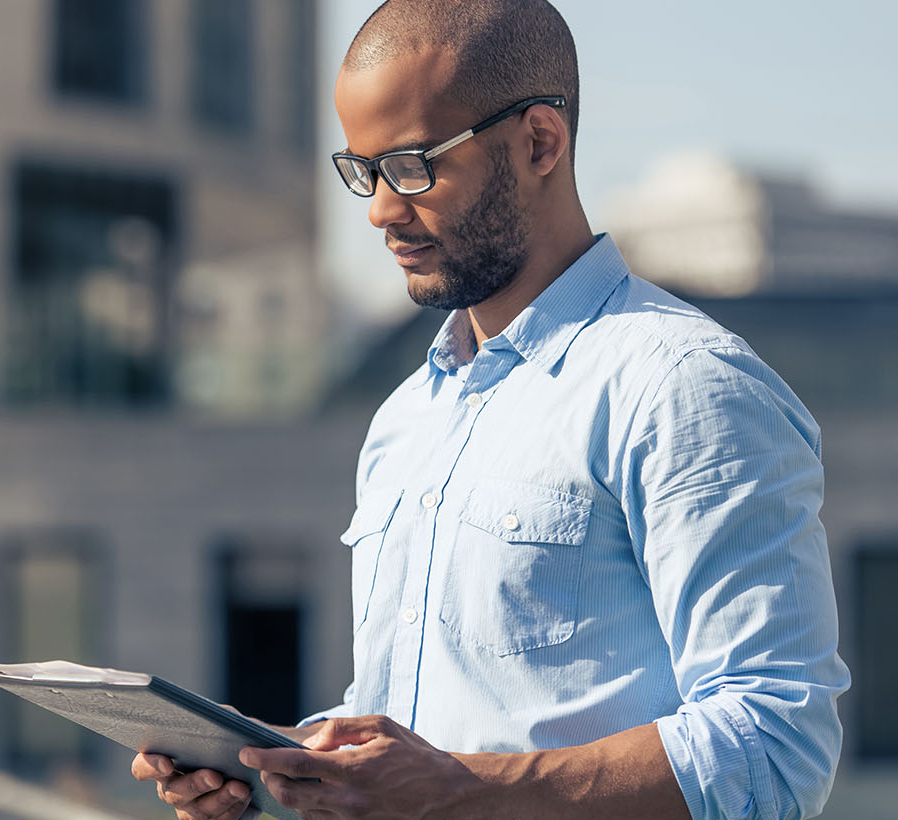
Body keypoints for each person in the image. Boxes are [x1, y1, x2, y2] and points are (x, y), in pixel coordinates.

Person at [132, 1, 849, 818]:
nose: (379, 210)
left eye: (410, 165)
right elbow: (441, 728)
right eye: (362, 171)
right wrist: (272, 763)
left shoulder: (685, 387)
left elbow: (776, 742)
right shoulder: (406, 419)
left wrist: (463, 790)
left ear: (540, 140)